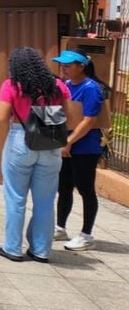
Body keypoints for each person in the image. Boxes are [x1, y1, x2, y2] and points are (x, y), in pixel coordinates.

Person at [0, 46, 76, 263]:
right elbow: (69, 115)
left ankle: (12, 248)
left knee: (16, 198)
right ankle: (41, 250)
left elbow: (1, 117)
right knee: (46, 200)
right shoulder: (57, 85)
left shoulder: (12, 85)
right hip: (50, 143)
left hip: (21, 140)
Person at [53, 50, 107, 252]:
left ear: (81, 66)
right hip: (66, 144)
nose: (64, 69)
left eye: (68, 65)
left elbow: (89, 120)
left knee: (85, 189)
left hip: (85, 148)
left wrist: (69, 142)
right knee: (64, 186)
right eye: (62, 65)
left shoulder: (91, 88)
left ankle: (86, 234)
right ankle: (60, 227)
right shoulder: (66, 86)